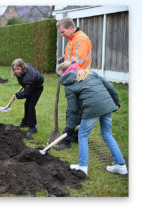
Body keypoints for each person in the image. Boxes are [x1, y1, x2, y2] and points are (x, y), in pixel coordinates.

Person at [57, 61, 127, 175]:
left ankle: (82, 166)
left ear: (65, 73)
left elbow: (73, 110)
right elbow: (110, 86)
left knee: (82, 135)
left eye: (59, 75)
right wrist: (116, 102)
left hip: (93, 108)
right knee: (107, 134)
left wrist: (70, 127)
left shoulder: (69, 85)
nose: (60, 78)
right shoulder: (91, 72)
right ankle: (121, 165)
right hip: (107, 105)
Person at [54, 17, 93, 150]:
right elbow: (69, 58)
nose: (62, 35)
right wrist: (63, 60)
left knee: (73, 110)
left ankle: (66, 140)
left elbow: (77, 63)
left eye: (63, 32)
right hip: (73, 78)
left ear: (71, 28)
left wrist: (62, 68)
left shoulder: (81, 40)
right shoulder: (71, 41)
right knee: (79, 109)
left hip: (79, 78)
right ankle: (77, 135)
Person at [11, 58, 44, 137]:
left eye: (18, 69)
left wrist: (17, 95)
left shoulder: (28, 78)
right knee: (26, 104)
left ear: (22, 66)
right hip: (31, 86)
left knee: (31, 107)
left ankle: (33, 127)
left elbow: (27, 93)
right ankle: (25, 122)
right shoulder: (26, 66)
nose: (16, 71)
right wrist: (26, 86)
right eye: (15, 69)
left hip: (37, 88)